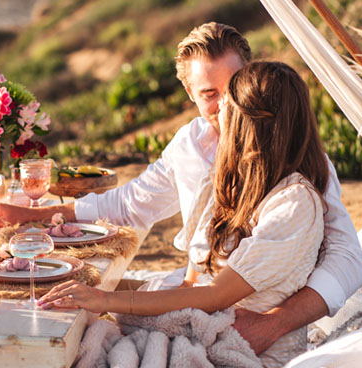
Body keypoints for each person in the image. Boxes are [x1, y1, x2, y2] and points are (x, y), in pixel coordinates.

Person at [0, 23, 362, 355]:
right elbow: (132, 203)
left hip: (247, 311)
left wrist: (274, 324)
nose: (224, 105)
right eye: (209, 94)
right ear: (189, 93)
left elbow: (347, 256)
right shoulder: (190, 146)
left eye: (233, 87)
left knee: (94, 312)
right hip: (200, 292)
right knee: (64, 297)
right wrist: (35, 216)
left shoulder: (296, 170)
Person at [40, 61, 328, 366]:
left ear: (253, 121)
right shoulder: (228, 179)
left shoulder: (294, 203)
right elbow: (190, 283)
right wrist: (98, 294)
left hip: (245, 350)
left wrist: (107, 300)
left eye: (227, 103)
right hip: (196, 326)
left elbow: (216, 295)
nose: (217, 111)